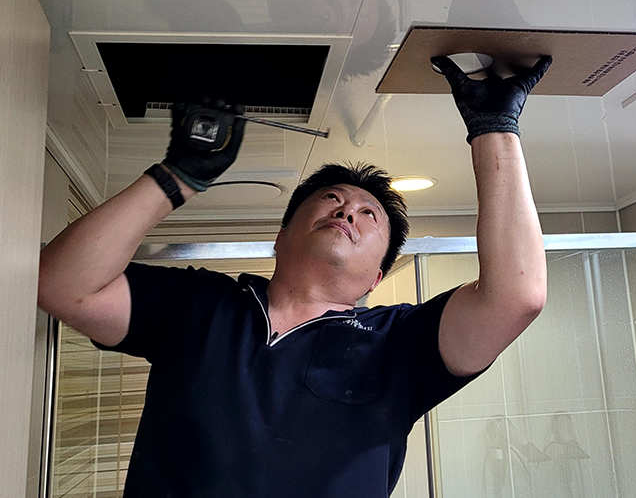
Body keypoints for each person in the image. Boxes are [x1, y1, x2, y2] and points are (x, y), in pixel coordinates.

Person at [38, 55, 552, 497]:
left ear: (376, 277)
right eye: (331, 199)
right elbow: (61, 285)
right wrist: (178, 176)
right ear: (280, 237)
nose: (347, 211)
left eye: (369, 215)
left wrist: (494, 128)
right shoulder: (197, 303)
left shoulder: (401, 344)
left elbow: (517, 296)